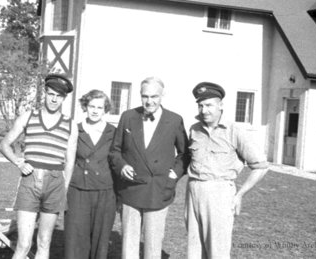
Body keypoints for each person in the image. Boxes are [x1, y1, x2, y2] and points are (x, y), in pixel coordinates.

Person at [109, 76, 190, 259]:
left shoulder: (174, 120)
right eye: (145, 96)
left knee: (153, 245)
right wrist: (121, 166)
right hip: (131, 189)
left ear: (163, 95)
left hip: (158, 189)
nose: (149, 101)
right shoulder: (128, 117)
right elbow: (115, 150)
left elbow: (185, 154)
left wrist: (173, 174)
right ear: (140, 95)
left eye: (154, 96)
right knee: (129, 244)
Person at [186, 82, 269, 259]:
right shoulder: (194, 129)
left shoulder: (234, 131)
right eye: (200, 105)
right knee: (194, 250)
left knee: (218, 251)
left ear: (220, 105)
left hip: (219, 193)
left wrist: (240, 195)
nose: (204, 110)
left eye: (209, 105)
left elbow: (261, 166)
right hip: (193, 190)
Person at [0, 74, 78, 259]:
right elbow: (4, 144)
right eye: (50, 94)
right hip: (30, 181)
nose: (53, 99)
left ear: (64, 98)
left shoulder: (70, 125)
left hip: (55, 184)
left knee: (44, 242)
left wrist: (64, 189)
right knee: (24, 244)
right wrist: (19, 162)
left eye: (58, 96)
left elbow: (70, 161)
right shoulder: (29, 116)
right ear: (45, 93)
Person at [64, 90, 116, 259]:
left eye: (99, 107)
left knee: (100, 241)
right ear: (85, 107)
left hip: (105, 192)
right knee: (76, 239)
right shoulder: (75, 129)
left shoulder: (113, 132)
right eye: (91, 106)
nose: (95, 110)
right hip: (78, 190)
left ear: (105, 109)